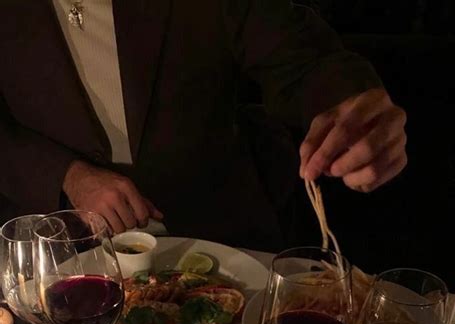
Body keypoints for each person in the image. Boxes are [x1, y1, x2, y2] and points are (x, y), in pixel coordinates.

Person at [0, 1, 406, 250]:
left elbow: (303, 57)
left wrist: (352, 103)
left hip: (220, 242)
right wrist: (67, 176)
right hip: (54, 254)